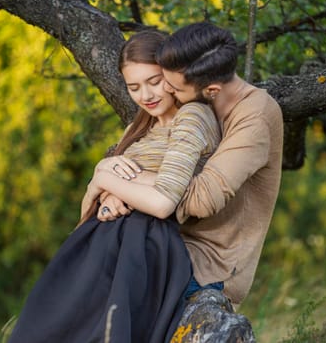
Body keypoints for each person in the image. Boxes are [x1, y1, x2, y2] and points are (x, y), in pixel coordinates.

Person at [8, 29, 220, 343]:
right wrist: (104, 187)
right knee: (47, 323)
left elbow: (163, 203)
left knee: (96, 332)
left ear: (175, 74)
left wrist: (105, 180)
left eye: (154, 81)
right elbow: (86, 213)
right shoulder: (142, 126)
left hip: (144, 243)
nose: (145, 95)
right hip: (110, 238)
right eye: (133, 87)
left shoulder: (192, 116)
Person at [101, 22, 284, 307]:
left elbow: (200, 200)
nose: (166, 95)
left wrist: (118, 180)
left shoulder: (253, 116)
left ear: (210, 90)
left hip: (210, 266)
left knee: (99, 291)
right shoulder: (204, 98)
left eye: (172, 88)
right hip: (168, 247)